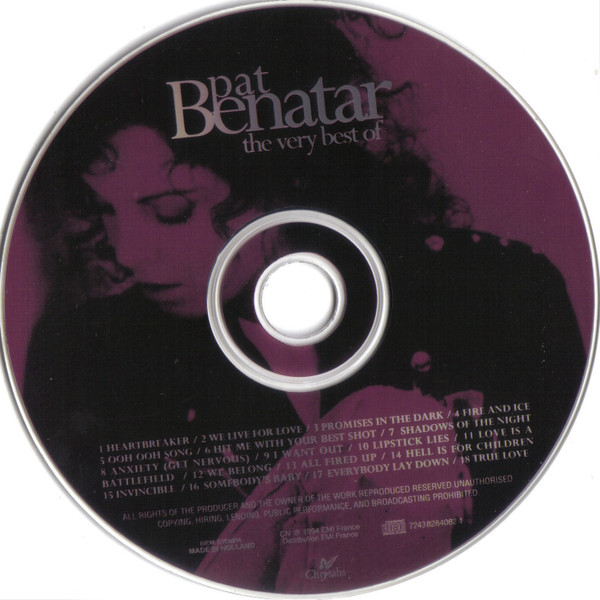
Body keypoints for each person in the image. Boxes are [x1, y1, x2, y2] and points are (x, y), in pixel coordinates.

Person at [13, 6, 587, 592]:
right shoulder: (86, 357)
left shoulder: (499, 295)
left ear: (282, 174)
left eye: (171, 210)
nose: (127, 253)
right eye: (105, 211)